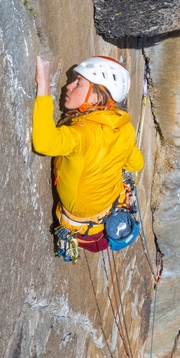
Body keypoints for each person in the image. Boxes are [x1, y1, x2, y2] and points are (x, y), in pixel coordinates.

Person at [33, 55, 144, 253]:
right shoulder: (124, 129)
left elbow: (44, 143)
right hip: (109, 205)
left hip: (83, 218)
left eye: (79, 82)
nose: (68, 86)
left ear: (95, 97)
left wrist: (43, 86)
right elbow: (136, 164)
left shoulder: (82, 133)